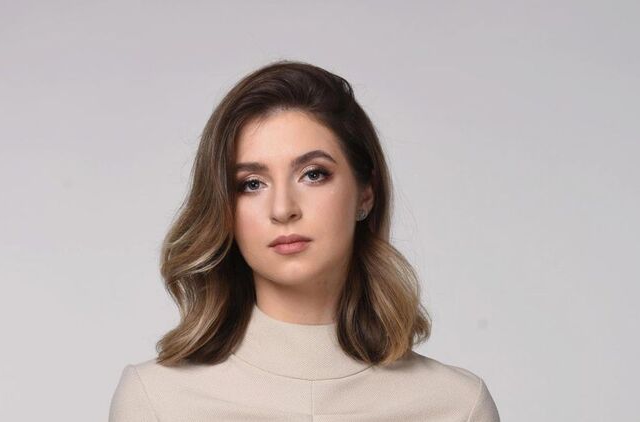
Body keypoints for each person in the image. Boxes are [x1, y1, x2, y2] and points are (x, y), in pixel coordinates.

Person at [108, 59, 500, 421]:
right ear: (223, 206)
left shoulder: (456, 406)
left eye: (313, 174)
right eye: (251, 184)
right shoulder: (157, 401)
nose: (282, 209)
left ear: (366, 193)